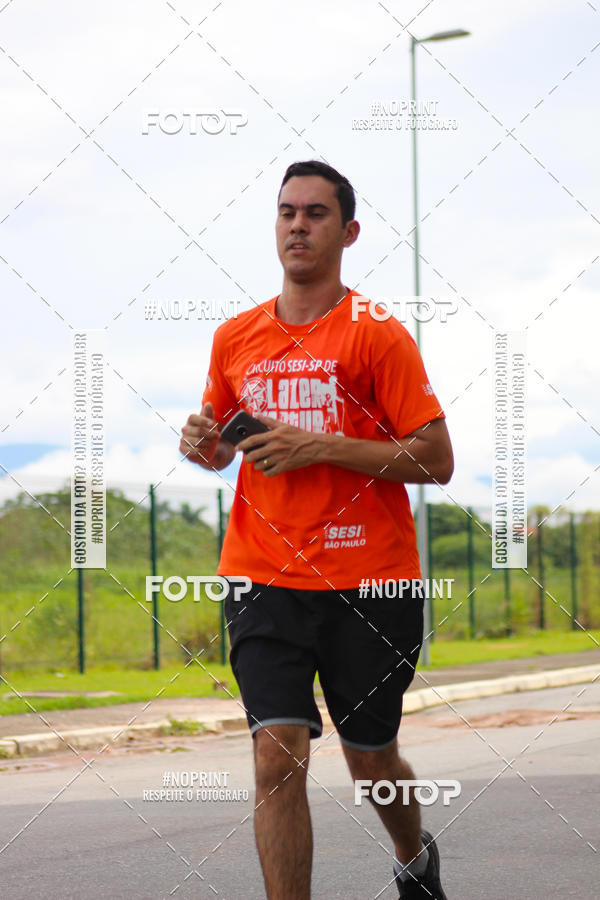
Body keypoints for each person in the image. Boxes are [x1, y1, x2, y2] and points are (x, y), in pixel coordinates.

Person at [180, 160, 454, 899]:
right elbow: (222, 448)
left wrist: (321, 446)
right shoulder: (235, 336)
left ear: (348, 232)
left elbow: (436, 459)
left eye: (315, 213)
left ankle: (413, 857)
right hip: (262, 575)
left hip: (371, 582)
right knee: (277, 756)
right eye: (287, 212)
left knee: (371, 760)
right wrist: (203, 443)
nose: (297, 225)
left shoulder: (379, 335)